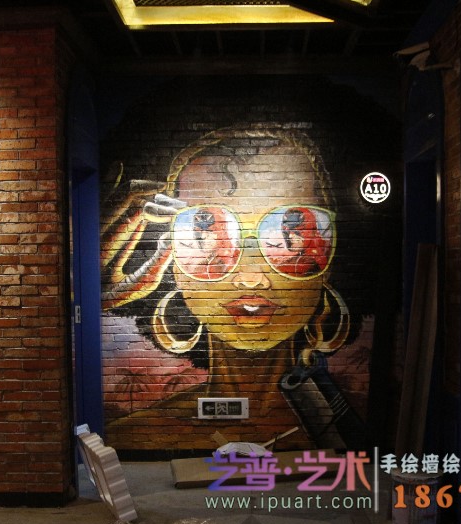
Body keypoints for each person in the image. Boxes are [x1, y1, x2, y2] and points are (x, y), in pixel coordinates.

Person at [100, 127, 361, 450]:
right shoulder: (136, 433)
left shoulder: (350, 425)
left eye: (290, 237)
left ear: (328, 264)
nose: (250, 278)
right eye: (203, 232)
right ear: (173, 265)